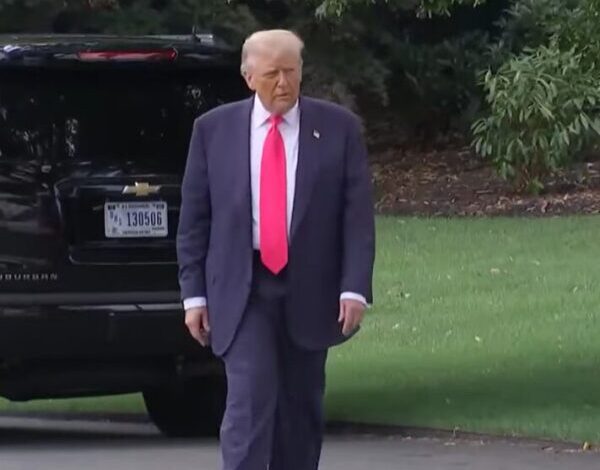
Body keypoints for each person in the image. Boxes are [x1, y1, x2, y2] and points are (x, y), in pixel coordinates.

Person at [176, 29, 375, 470]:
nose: (283, 83)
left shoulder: (338, 128)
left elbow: (357, 216)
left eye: (291, 71)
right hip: (243, 287)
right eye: (272, 74)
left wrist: (354, 287)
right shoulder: (213, 131)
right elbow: (194, 221)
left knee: (300, 408)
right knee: (249, 399)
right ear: (249, 77)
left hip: (311, 285)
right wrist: (194, 296)